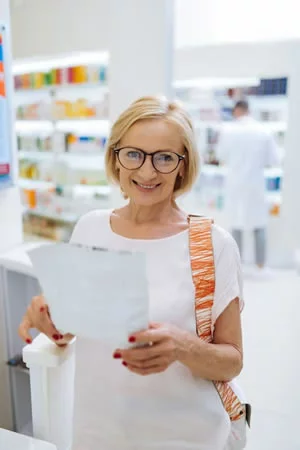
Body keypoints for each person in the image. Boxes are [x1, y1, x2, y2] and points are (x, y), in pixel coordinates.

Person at [19, 96, 245, 450]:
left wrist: (182, 346)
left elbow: (232, 361)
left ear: (184, 166)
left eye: (165, 158)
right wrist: (52, 319)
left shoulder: (213, 244)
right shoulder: (90, 228)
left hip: (186, 436)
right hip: (98, 432)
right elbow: (73, 329)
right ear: (116, 157)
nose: (147, 171)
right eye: (134, 154)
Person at [216, 100, 280, 272]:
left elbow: (220, 155)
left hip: (235, 183)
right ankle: (260, 265)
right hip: (255, 184)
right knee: (259, 224)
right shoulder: (263, 131)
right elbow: (273, 160)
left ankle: (238, 265)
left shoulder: (228, 130)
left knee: (236, 224)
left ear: (237, 110)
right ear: (249, 110)